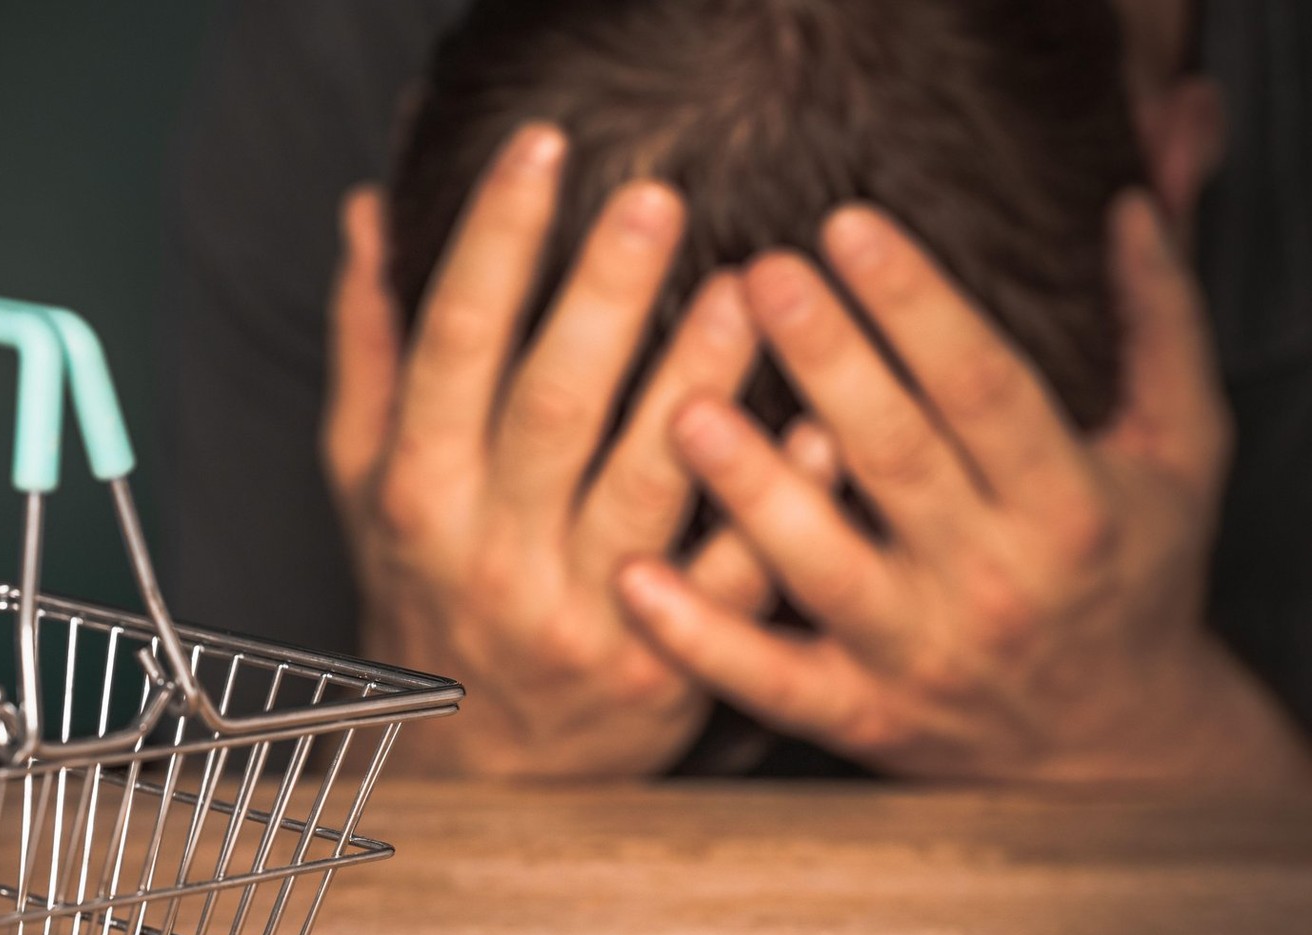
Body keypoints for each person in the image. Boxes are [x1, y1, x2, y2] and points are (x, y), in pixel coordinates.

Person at [159, 0, 1312, 789]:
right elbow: (194, 921)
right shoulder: (340, 49)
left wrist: (1162, 744)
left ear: (1176, 175)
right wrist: (451, 754)